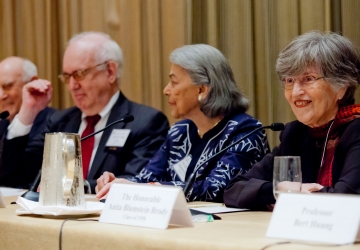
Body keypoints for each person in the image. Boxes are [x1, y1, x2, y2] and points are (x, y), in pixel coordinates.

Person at [95, 44, 270, 202]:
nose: (166, 90)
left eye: (174, 81)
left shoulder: (245, 131)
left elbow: (216, 189)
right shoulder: (180, 132)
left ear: (201, 89)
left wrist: (150, 188)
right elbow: (147, 177)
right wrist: (119, 183)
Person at [1, 32, 169, 191]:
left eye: (80, 74)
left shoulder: (146, 122)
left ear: (110, 71)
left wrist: (74, 188)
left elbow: (135, 181)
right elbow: (14, 177)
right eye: (67, 77)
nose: (72, 86)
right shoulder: (60, 121)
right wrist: (27, 113)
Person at [224, 31, 360, 210]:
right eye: (290, 80)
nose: (296, 92)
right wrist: (278, 190)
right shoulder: (296, 134)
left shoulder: (355, 130)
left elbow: (346, 200)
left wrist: (293, 196)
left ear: (341, 86)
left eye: (308, 79)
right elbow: (234, 190)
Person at [0, 57, 55, 187]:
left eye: (7, 86)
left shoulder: (54, 122)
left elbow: (17, 175)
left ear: (33, 82)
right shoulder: (2, 123)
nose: (1, 95)